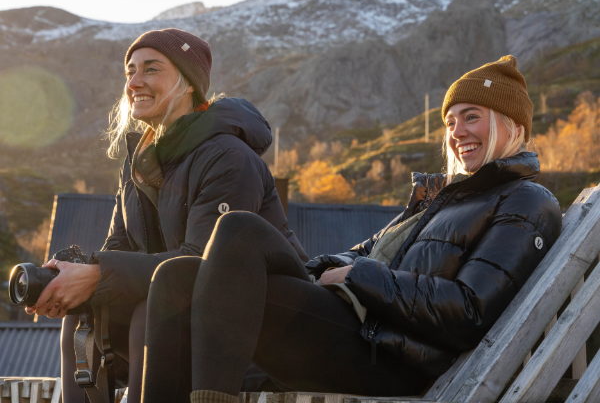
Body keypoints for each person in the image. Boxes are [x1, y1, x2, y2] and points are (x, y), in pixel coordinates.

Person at [142, 55, 562, 403]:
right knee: (176, 278)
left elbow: (470, 310)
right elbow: (363, 253)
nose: (457, 133)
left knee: (239, 229)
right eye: (450, 122)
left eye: (472, 117)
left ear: (514, 126)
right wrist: (335, 269)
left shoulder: (525, 201)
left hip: (393, 358)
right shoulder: (441, 200)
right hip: (357, 328)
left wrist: (360, 277)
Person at [24, 28, 306, 403]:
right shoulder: (138, 163)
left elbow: (204, 266)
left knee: (152, 311)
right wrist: (72, 280)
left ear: (189, 84)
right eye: (130, 71)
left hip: (260, 329)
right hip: (181, 318)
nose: (134, 82)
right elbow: (118, 248)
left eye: (151, 69)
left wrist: (96, 276)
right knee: (82, 315)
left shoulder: (229, 157)